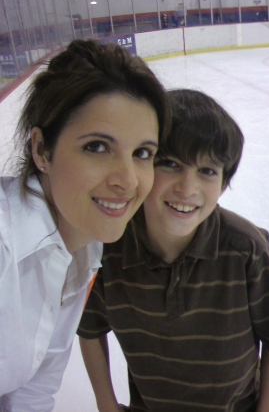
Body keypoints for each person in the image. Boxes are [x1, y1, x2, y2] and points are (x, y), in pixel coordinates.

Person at [78, 89, 269, 412]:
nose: (187, 188)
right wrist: (105, 403)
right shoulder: (110, 249)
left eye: (207, 171)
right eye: (169, 164)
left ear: (223, 184)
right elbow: (89, 329)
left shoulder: (246, 250)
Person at [0, 39, 170, 411]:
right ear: (41, 150)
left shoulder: (84, 246)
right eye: (97, 147)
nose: (127, 181)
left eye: (143, 153)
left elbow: (33, 389)